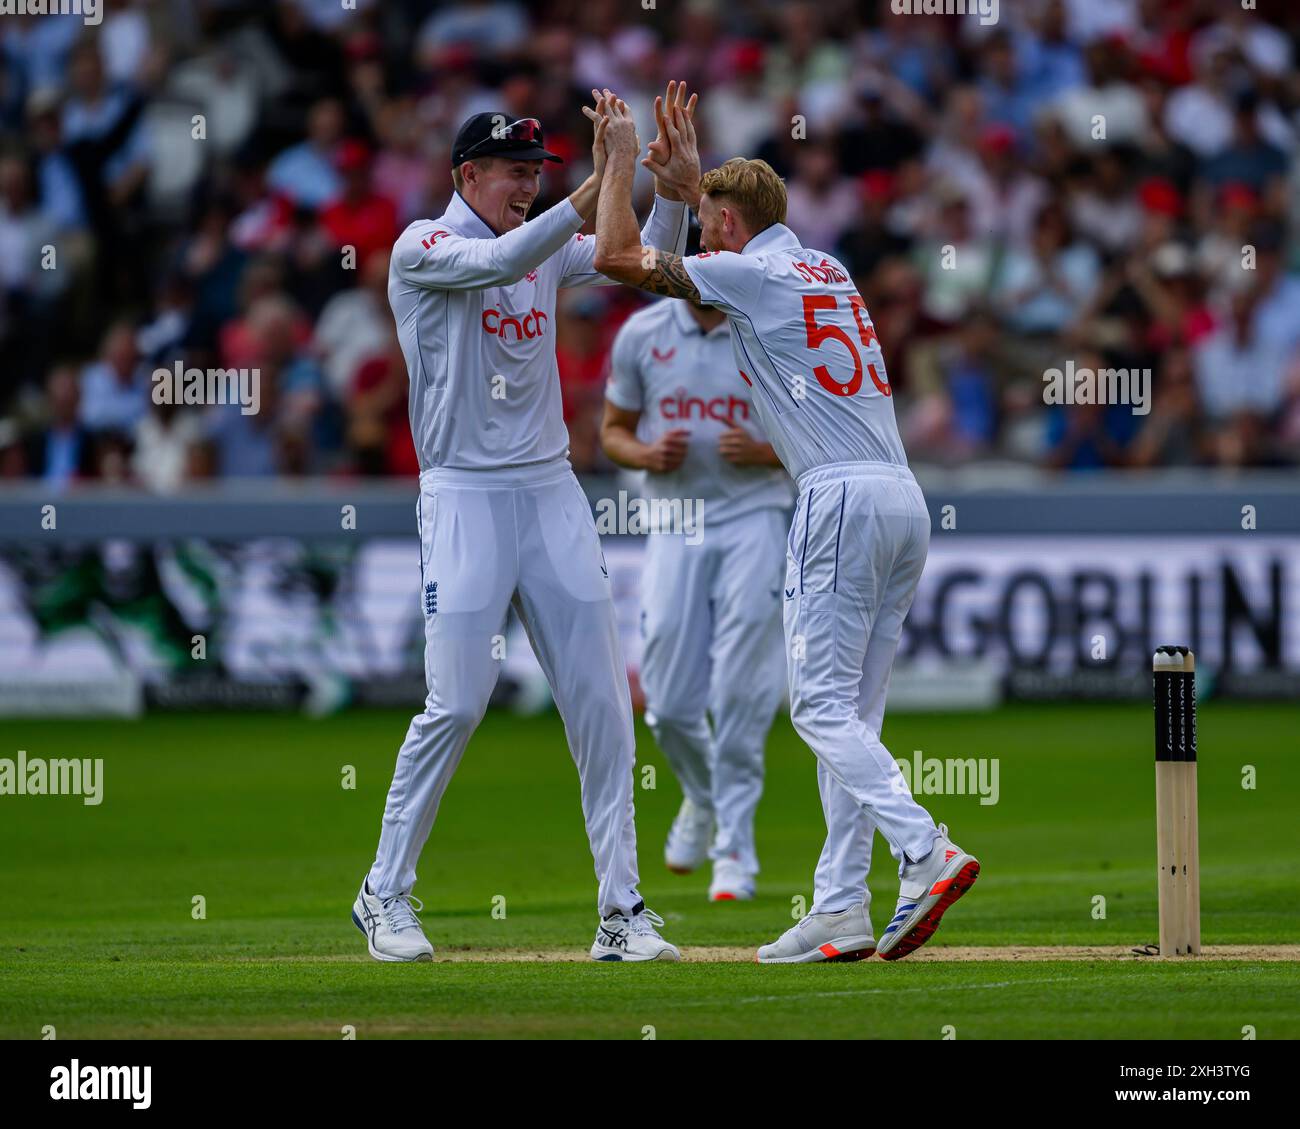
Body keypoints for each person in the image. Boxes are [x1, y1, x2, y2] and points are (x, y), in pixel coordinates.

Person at [591, 97, 980, 962]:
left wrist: (623, 163)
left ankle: (925, 848)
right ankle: (840, 904)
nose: (702, 239)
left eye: (706, 225)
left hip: (835, 499)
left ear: (728, 224)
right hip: (901, 497)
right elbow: (703, 264)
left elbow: (617, 257)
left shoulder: (748, 274)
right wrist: (686, 190)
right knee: (856, 717)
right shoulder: (825, 267)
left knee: (815, 708)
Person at [354, 85, 697, 964]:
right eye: (513, 172)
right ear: (467, 173)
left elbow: (639, 267)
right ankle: (384, 891)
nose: (528, 186)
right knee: (458, 700)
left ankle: (621, 913)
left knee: (603, 705)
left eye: (536, 174)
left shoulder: (537, 239)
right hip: (464, 493)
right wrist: (599, 179)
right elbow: (498, 263)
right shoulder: (422, 246)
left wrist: (670, 193)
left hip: (549, 488)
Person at [601, 264, 791, 902]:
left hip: (754, 515)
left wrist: (767, 451)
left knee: (741, 686)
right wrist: (647, 454)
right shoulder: (643, 335)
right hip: (676, 519)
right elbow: (613, 433)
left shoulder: (763, 329)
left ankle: (734, 846)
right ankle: (702, 799)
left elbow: (818, 430)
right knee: (670, 703)